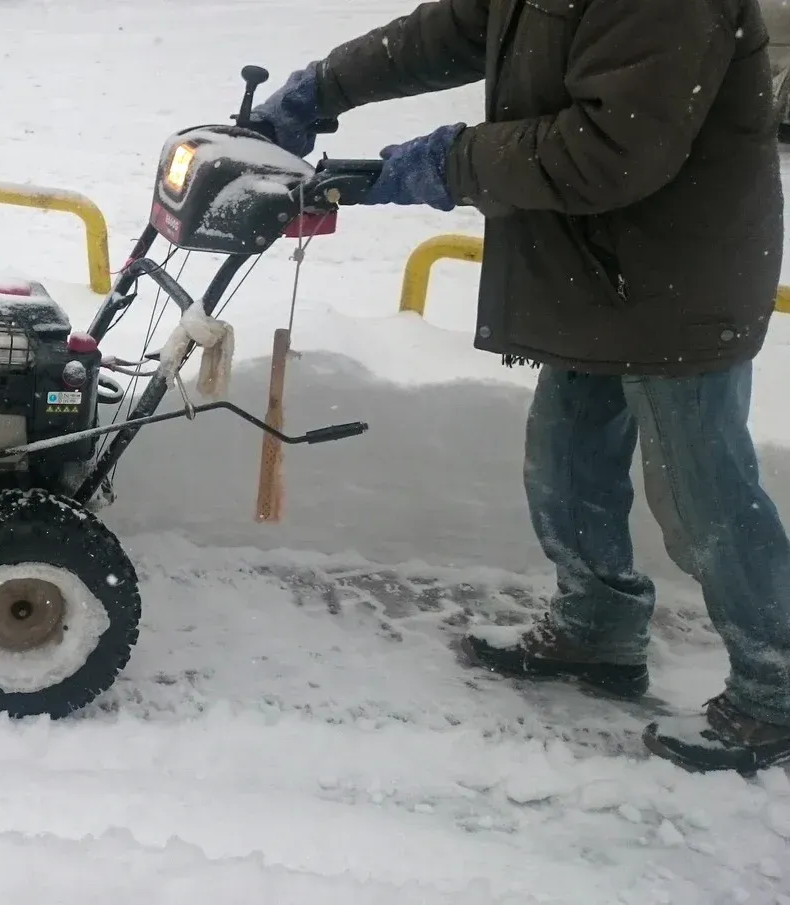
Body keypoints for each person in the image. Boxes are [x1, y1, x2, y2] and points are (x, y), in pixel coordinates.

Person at [246, 0, 790, 773]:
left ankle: (777, 687)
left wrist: (447, 161)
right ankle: (597, 625)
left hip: (678, 283)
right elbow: (458, 28)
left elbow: (611, 150)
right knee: (567, 459)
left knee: (703, 493)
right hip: (596, 263)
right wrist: (323, 88)